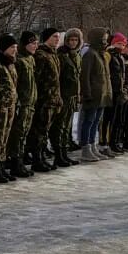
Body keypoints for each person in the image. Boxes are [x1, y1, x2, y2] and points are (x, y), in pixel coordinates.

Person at [28, 28, 62, 172]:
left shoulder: (53, 54)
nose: (57, 39)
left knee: (45, 131)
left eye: (58, 37)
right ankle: (37, 159)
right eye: (54, 37)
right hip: (44, 101)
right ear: (47, 38)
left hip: (53, 100)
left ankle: (41, 157)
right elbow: (37, 79)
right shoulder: (41, 55)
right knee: (39, 132)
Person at [7, 31, 39, 178]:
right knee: (18, 135)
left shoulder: (30, 59)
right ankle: (15, 162)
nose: (35, 46)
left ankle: (20, 160)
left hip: (30, 102)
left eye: (36, 43)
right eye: (32, 43)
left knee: (24, 134)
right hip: (22, 103)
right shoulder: (18, 60)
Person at [79, 28, 111, 162]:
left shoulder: (101, 54)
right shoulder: (90, 54)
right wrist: (86, 94)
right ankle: (86, 148)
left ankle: (92, 146)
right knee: (89, 121)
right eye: (103, 38)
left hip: (101, 95)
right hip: (93, 95)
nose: (105, 41)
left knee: (96, 121)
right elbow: (85, 76)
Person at [0, 35, 19, 183]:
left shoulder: (10, 63)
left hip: (10, 105)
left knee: (5, 137)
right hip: (1, 107)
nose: (15, 50)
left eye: (16, 47)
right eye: (12, 47)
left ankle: (2, 165)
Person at [55, 28, 83, 164]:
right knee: (61, 126)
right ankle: (59, 153)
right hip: (64, 94)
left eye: (76, 40)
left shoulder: (76, 55)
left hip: (72, 95)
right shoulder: (62, 55)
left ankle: (64, 152)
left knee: (67, 126)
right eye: (71, 40)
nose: (73, 42)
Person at [104, 32, 128, 154]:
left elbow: (122, 76)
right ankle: (106, 143)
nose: (120, 46)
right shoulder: (109, 55)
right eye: (118, 43)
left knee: (118, 119)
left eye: (122, 44)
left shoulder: (120, 57)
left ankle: (114, 141)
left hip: (119, 91)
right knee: (109, 119)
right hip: (111, 91)